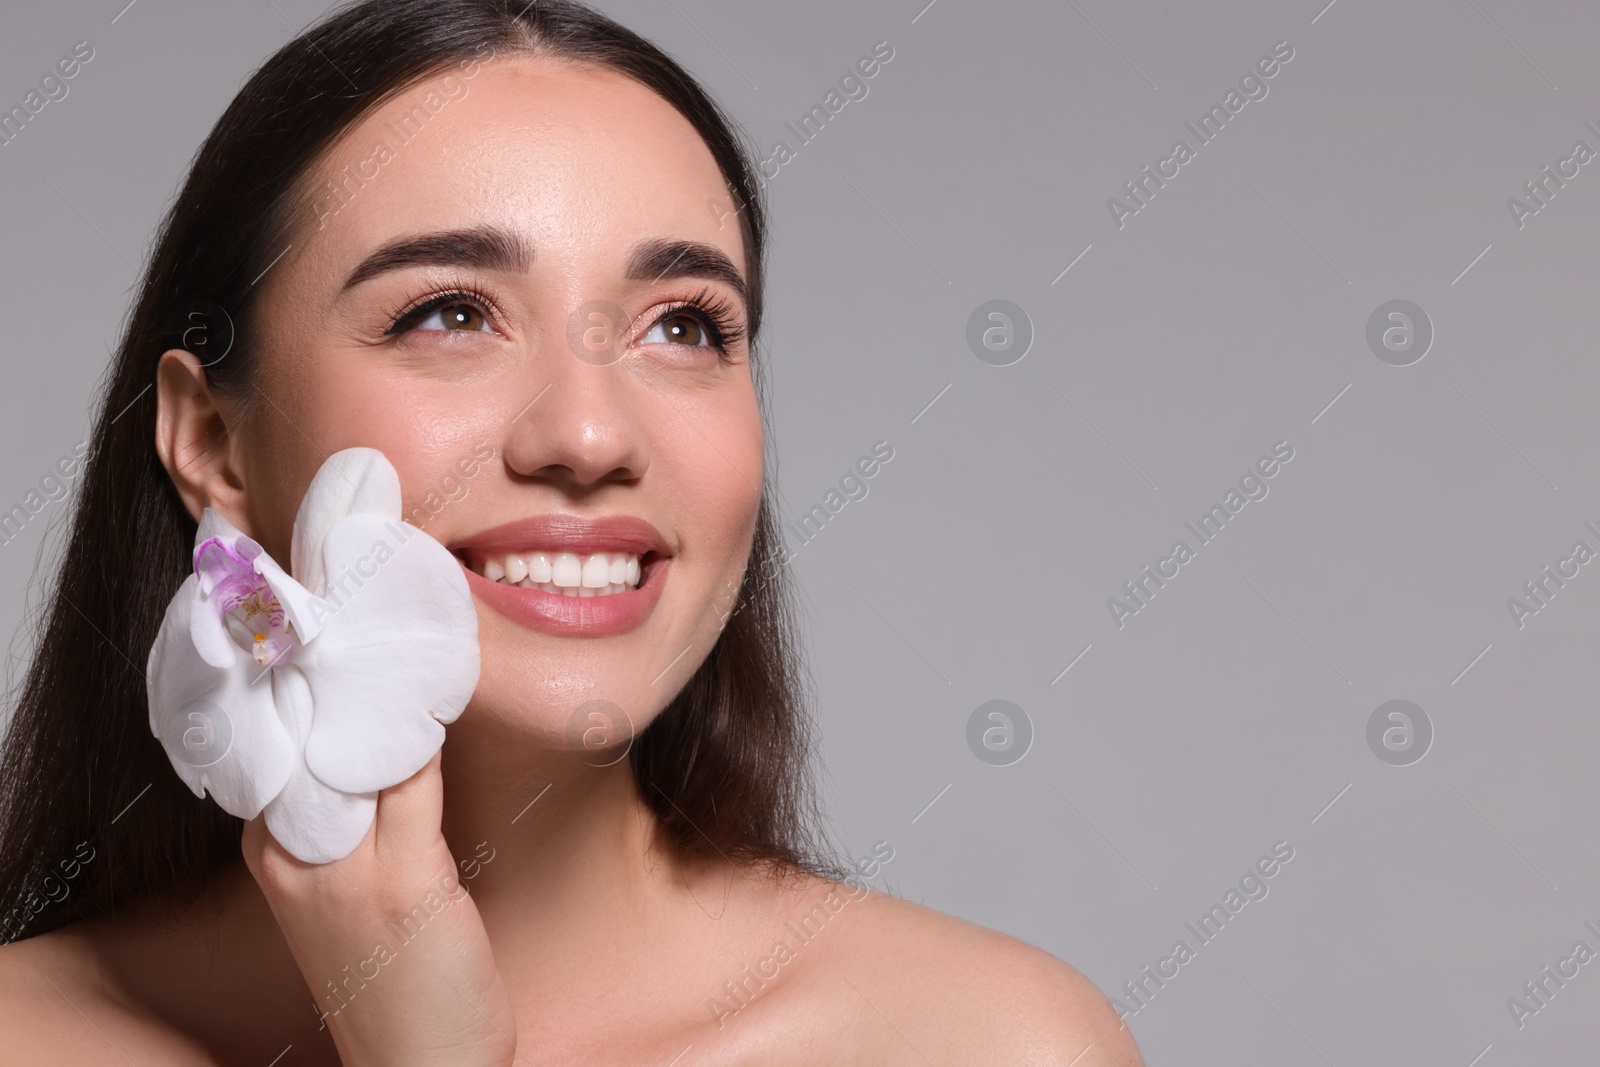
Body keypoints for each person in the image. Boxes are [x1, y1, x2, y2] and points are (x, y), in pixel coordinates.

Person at [0, 2, 1143, 1062]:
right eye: (449, 312)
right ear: (213, 442)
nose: (591, 432)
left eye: (685, 325)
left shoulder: (988, 1041)